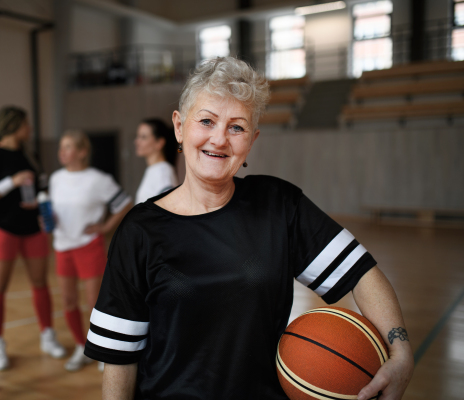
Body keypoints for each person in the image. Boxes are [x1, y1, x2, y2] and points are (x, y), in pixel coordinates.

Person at [84, 57, 414, 400]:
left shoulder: (279, 205)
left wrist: (401, 352)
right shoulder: (139, 230)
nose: (219, 139)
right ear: (179, 127)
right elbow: (119, 359)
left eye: (236, 127)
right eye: (207, 121)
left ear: (251, 141)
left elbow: (360, 272)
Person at [0, 106, 64, 371]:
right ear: (14, 125)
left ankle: (47, 335)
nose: (31, 129)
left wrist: (40, 205)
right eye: (27, 124)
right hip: (2, 229)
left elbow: (44, 190)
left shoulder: (30, 155)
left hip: (32, 230)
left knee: (40, 283)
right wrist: (11, 182)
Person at [48, 130, 133, 371]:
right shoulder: (55, 179)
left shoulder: (98, 179)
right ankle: (80, 346)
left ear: (83, 152)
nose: (61, 152)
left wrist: (105, 226)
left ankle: (104, 350)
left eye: (68, 147)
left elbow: (124, 203)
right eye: (61, 147)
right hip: (62, 246)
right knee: (68, 300)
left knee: (94, 303)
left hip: (89, 247)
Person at [134, 118, 178, 204]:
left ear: (159, 143)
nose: (136, 141)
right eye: (137, 136)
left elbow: (169, 209)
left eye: (143, 137)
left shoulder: (163, 172)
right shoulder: (154, 170)